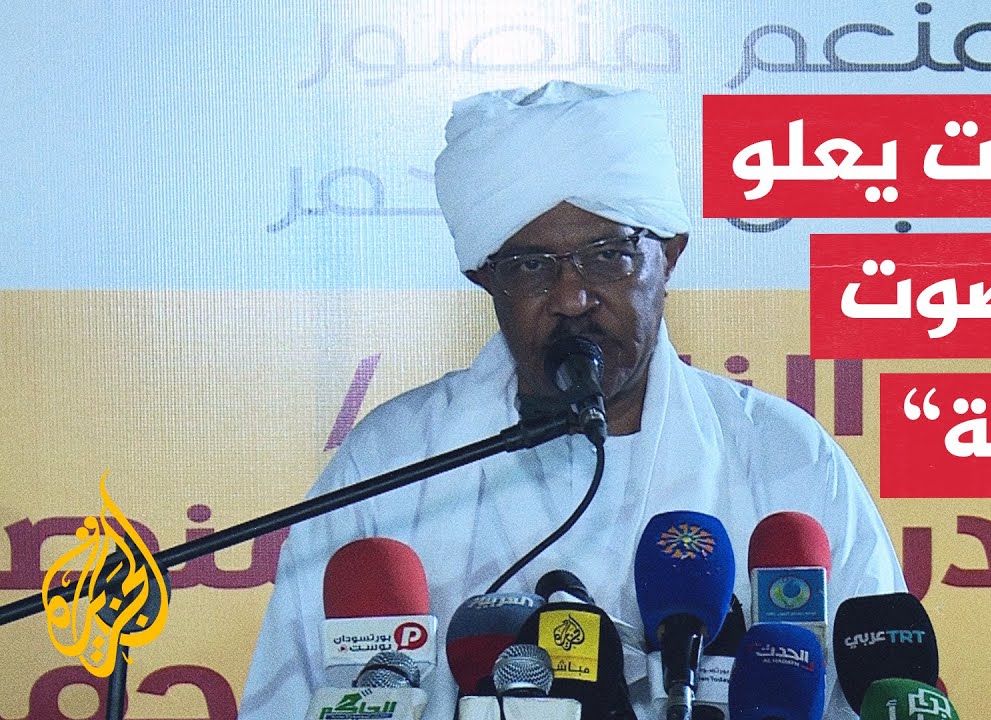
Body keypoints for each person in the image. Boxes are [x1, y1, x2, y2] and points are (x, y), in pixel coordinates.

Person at [239, 81, 905, 719]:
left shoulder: (784, 455)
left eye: (608, 256)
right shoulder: (392, 461)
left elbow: (877, 690)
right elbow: (286, 700)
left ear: (669, 256)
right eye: (531, 265)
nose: (572, 297)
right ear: (486, 278)